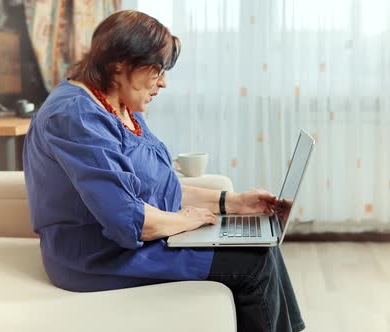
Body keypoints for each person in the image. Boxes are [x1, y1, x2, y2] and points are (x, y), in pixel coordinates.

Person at [23, 10, 305, 332]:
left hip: (133, 242)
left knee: (262, 243)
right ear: (119, 63)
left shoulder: (119, 104)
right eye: (156, 70)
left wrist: (235, 203)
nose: (164, 81)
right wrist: (188, 220)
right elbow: (128, 219)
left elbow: (159, 187)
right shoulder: (76, 116)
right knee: (253, 265)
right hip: (96, 256)